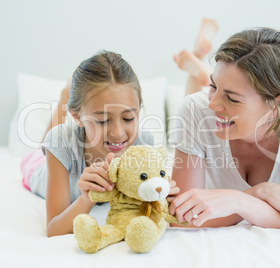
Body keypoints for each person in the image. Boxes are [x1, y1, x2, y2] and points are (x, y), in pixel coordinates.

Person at [169, 21, 280, 231]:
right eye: (213, 86)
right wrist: (253, 194)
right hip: (195, 115)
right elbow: (179, 218)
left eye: (232, 99)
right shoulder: (196, 109)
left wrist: (239, 202)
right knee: (195, 103)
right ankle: (198, 72)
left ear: (278, 104)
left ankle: (198, 67)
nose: (212, 104)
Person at [20, 51, 179, 237]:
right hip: (37, 168)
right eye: (103, 121)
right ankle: (66, 94)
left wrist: (164, 196)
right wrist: (86, 199)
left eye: (128, 118)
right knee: (48, 141)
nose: (118, 133)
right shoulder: (60, 144)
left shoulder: (143, 142)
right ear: (77, 116)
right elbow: (54, 230)